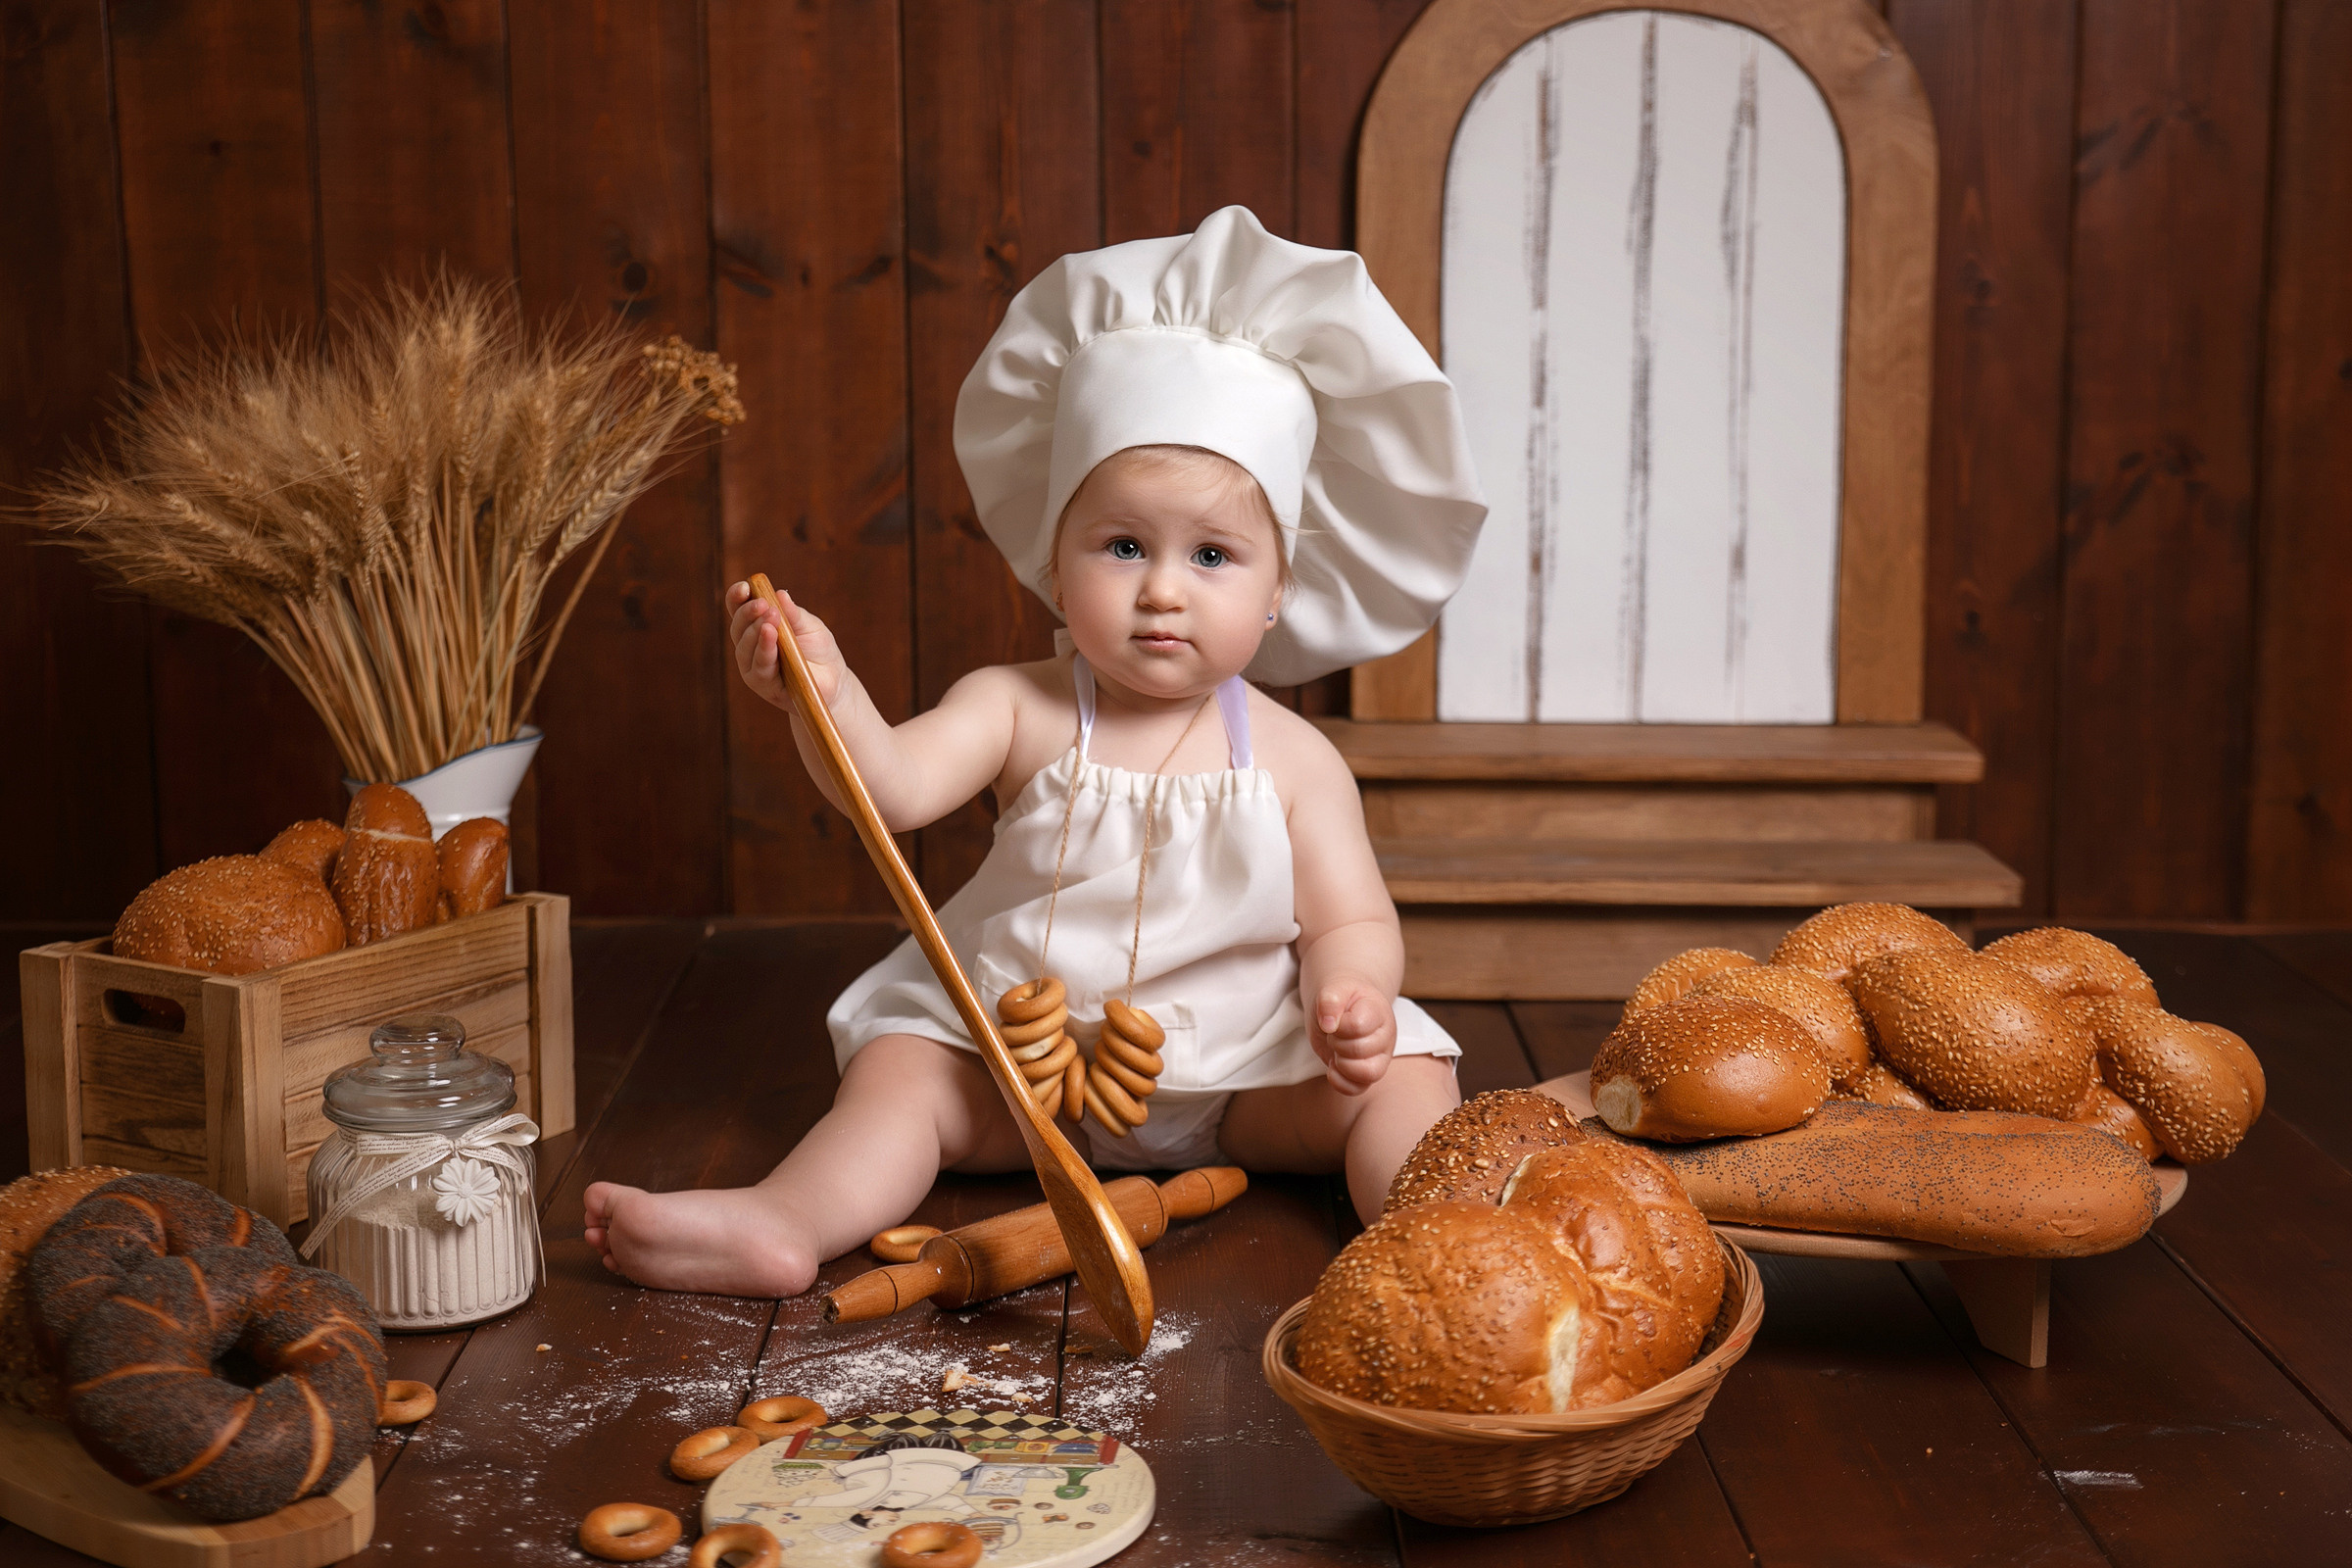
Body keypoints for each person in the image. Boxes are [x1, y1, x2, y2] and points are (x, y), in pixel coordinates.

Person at [585, 207, 1488, 1297]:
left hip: (1237, 1078)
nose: (1162, 587)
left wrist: (1353, 992)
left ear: (1278, 590)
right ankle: (786, 1217)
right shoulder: (1016, 708)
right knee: (901, 1076)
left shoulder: (1295, 760)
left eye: (1212, 553)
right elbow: (892, 790)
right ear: (1054, 564)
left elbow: (1352, 916)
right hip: (1014, 1070)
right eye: (1121, 545)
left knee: (1409, 1072)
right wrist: (823, 698)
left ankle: (1442, 1235)